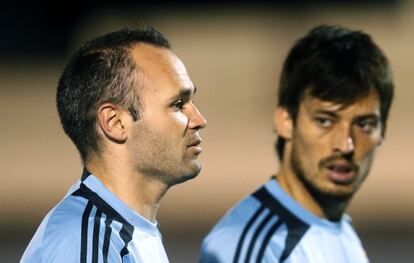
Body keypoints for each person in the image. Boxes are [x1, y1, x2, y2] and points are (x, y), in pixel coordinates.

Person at [200, 24, 394, 263]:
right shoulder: (252, 247)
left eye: (364, 124)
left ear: (383, 131)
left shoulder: (342, 235)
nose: (346, 145)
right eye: (325, 121)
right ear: (286, 121)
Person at [21, 27, 207, 263]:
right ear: (115, 122)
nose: (199, 120)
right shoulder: (88, 242)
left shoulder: (128, 231)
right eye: (178, 104)